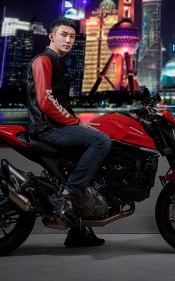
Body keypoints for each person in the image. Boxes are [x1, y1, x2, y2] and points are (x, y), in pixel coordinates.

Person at [26, 18, 112, 247]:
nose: (68, 40)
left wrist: (77, 122)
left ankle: (78, 232)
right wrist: (76, 122)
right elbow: (46, 101)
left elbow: (59, 102)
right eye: (63, 35)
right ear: (51, 36)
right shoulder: (44, 60)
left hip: (57, 126)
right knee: (101, 142)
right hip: (47, 129)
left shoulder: (59, 63)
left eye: (72, 36)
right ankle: (66, 197)